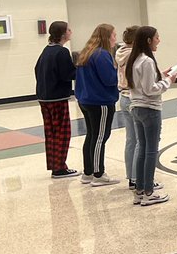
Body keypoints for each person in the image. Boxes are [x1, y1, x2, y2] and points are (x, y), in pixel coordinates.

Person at [125, 26, 176, 205]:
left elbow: (142, 82)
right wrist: (167, 82)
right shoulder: (147, 60)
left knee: (143, 150)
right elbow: (150, 89)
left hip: (137, 107)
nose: (159, 40)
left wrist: (161, 75)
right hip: (149, 109)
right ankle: (148, 192)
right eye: (157, 37)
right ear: (148, 40)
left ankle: (139, 190)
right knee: (151, 151)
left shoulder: (135, 59)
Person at [74, 23, 120, 184]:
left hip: (85, 99)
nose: (116, 38)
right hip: (100, 101)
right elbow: (109, 79)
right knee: (101, 136)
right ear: (107, 37)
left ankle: (88, 172)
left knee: (92, 135)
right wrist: (120, 72)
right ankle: (98, 174)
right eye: (114, 35)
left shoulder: (87, 52)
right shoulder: (101, 55)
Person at [35, 21, 78, 179]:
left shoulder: (46, 50)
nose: (70, 31)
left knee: (51, 133)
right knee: (62, 132)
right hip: (57, 97)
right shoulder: (62, 52)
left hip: (44, 96)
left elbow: (36, 69)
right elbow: (68, 74)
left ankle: (55, 165)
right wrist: (80, 69)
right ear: (62, 33)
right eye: (68, 29)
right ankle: (60, 167)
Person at [115, 26, 140, 190]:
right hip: (133, 97)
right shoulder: (135, 55)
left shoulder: (120, 52)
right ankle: (139, 178)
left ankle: (131, 177)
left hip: (123, 97)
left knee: (131, 139)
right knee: (140, 141)